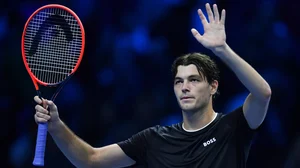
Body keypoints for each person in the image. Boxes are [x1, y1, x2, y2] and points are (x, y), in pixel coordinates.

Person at [34, 3, 271, 168]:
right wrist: (55, 125)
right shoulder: (155, 139)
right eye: (179, 81)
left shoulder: (232, 128)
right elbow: (90, 159)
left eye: (194, 80)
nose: (184, 87)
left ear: (213, 87)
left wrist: (222, 50)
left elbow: (262, 93)